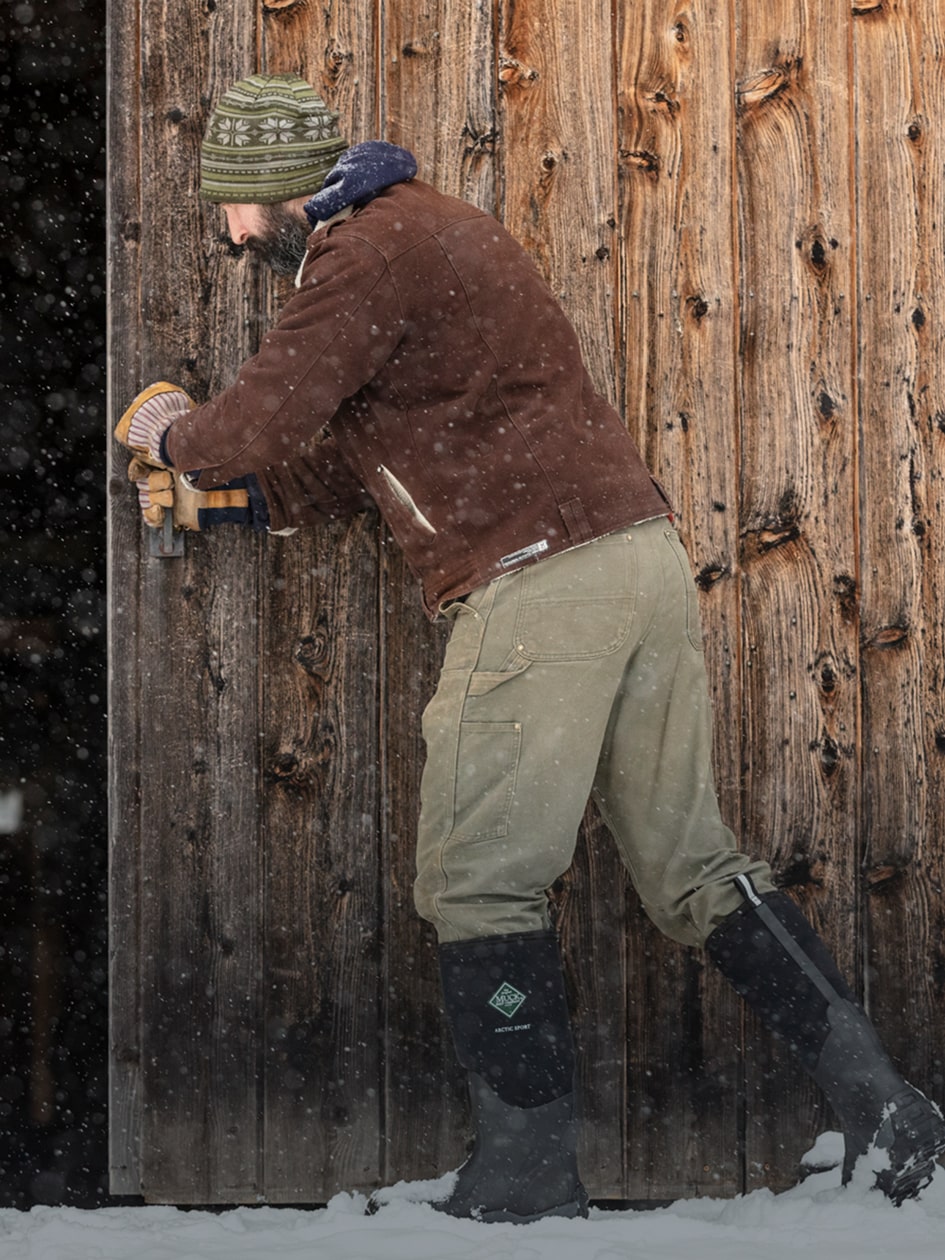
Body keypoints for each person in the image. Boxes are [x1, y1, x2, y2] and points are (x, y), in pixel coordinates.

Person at [116, 72, 945, 1222]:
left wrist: (175, 439)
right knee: (693, 869)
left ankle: (521, 1171)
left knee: (477, 876)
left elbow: (264, 417)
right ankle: (885, 1105)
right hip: (631, 558)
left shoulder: (362, 252)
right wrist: (232, 502)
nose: (231, 233)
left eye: (236, 207)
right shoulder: (419, 236)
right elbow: (353, 453)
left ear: (279, 189)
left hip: (536, 576)